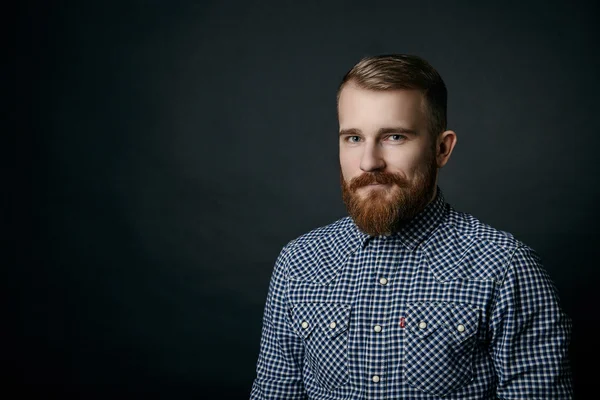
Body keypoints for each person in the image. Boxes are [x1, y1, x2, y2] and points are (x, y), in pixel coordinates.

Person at [250, 54, 573, 399]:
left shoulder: (505, 267)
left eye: (394, 137)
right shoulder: (298, 262)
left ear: (441, 149)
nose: (369, 161)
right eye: (354, 138)